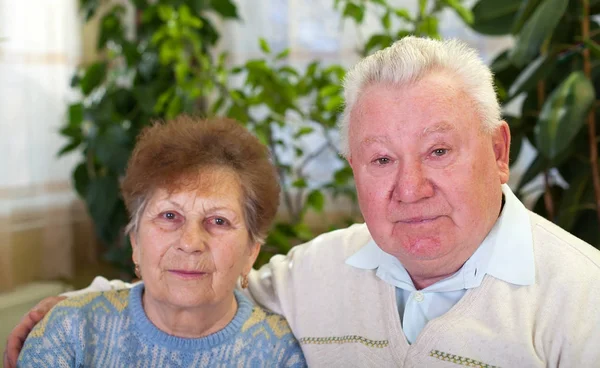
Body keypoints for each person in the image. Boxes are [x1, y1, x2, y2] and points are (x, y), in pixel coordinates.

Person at [6, 36, 600, 367]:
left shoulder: (582, 301)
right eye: (382, 159)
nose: (410, 187)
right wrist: (85, 304)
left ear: (499, 153)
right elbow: (209, 281)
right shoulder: (322, 272)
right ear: (354, 172)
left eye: (439, 151)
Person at [15, 116, 306, 367]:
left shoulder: (280, 354)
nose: (191, 242)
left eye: (219, 221)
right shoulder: (67, 333)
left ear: (251, 253)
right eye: (169, 215)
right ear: (135, 244)